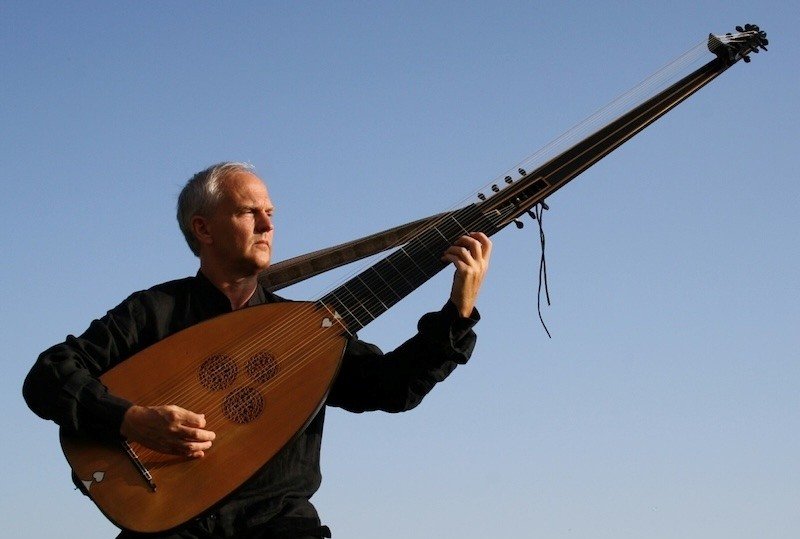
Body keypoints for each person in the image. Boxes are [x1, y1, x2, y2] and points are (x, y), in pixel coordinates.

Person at [23, 162, 492, 538]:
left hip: (278, 524)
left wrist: (457, 311)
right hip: (169, 527)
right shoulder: (155, 311)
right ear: (203, 229)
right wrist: (129, 419)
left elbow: (391, 389)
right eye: (249, 212)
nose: (267, 224)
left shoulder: (306, 329)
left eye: (271, 212)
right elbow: (48, 375)